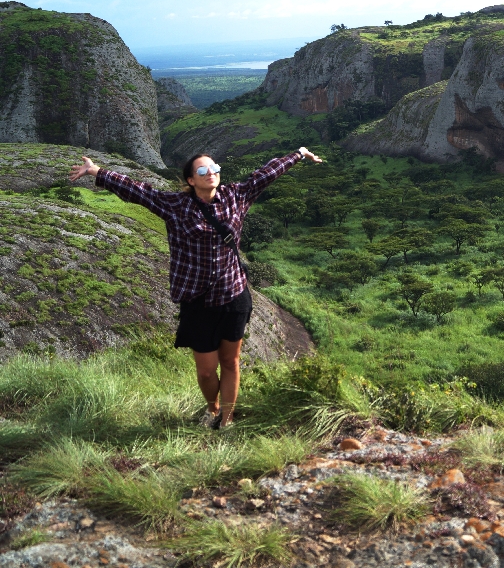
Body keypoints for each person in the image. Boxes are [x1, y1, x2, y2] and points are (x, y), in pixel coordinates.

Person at [70, 147, 323, 428]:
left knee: (231, 362)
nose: (211, 173)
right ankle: (213, 408)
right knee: (205, 371)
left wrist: (299, 154)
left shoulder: (235, 196)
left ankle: (225, 421)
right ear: (191, 180)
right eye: (202, 171)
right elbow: (139, 191)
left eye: (214, 168)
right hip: (197, 300)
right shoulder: (176, 205)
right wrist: (96, 172)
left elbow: (264, 175)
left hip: (233, 294)